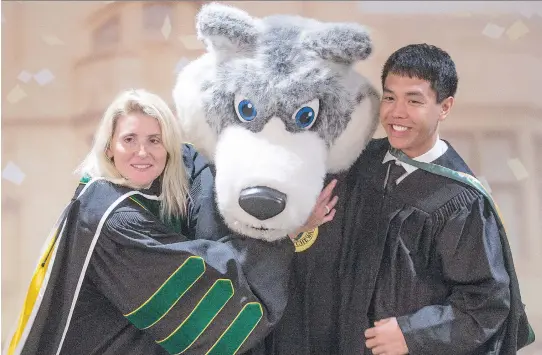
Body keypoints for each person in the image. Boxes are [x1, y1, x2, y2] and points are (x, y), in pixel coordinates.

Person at [247, 44, 534, 355]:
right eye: (390, 97)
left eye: (414, 101)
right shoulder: (355, 163)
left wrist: (414, 335)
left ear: (445, 107)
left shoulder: (459, 200)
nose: (397, 112)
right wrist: (299, 228)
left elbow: (486, 302)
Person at [4, 89, 336, 355]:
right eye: (129, 139)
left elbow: (191, 164)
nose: (143, 152)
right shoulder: (110, 216)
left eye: (155, 140)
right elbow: (202, 285)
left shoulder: (143, 191)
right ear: (109, 148)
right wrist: (283, 232)